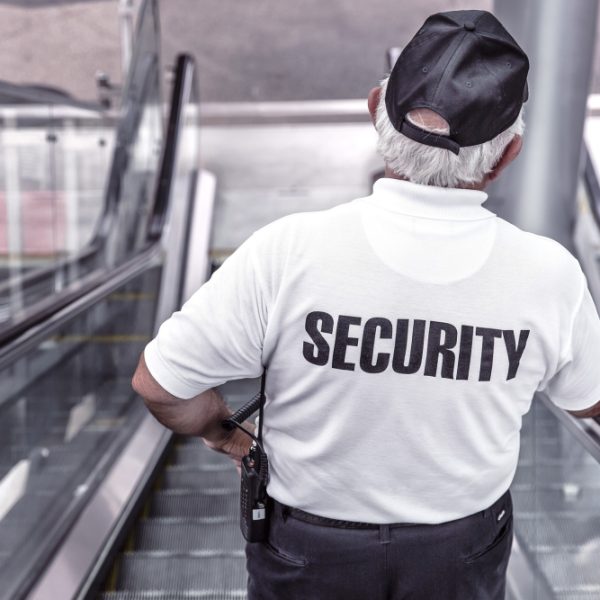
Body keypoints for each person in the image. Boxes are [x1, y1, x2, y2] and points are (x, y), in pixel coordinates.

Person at [132, 9, 600, 600]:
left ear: (376, 106)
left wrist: (225, 434)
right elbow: (591, 401)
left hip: (308, 549)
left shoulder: (289, 250)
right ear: (509, 154)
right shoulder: (548, 275)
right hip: (460, 551)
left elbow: (159, 385)